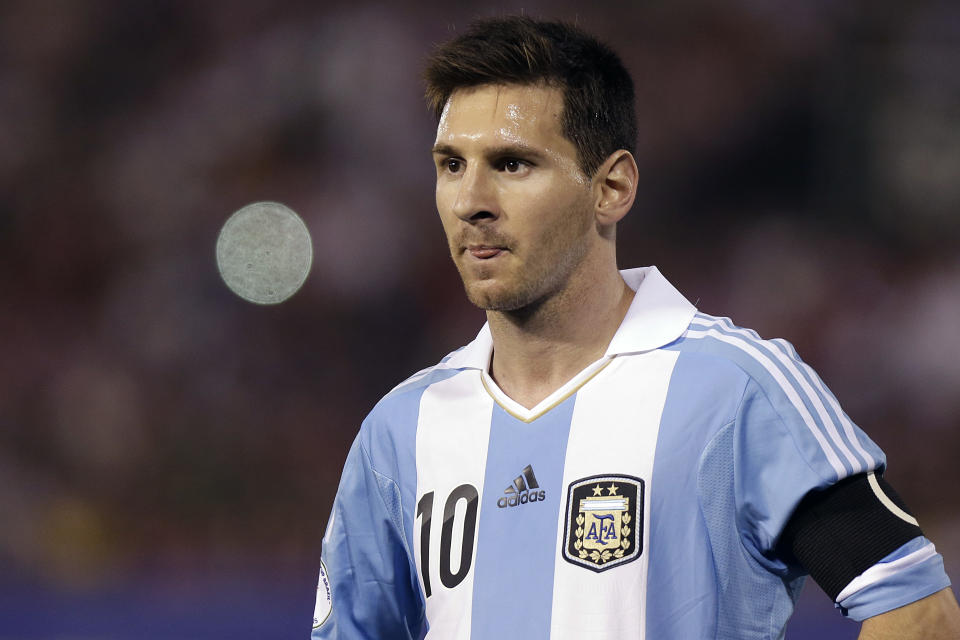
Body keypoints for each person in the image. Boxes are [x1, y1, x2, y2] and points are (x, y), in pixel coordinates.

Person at [311, 16, 959, 639]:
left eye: (512, 164)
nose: (470, 201)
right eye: (451, 164)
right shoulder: (401, 429)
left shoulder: (738, 391)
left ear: (612, 187)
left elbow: (918, 611)